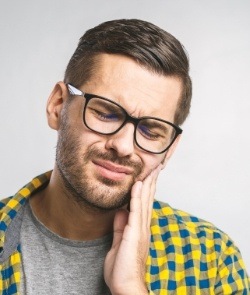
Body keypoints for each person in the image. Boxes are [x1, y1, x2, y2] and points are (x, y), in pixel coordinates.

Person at [0, 19, 249, 295]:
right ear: (58, 105)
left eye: (151, 131)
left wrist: (131, 288)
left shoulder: (212, 260)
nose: (124, 146)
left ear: (170, 149)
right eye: (106, 113)